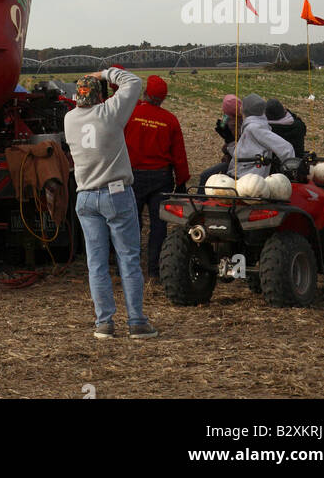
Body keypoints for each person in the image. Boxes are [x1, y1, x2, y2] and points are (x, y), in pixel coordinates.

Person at [64, 67, 157, 339]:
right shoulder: (109, 113)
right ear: (99, 97)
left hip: (85, 197)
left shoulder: (69, 119)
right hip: (115, 194)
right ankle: (137, 321)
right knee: (128, 259)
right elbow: (134, 82)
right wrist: (105, 73)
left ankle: (104, 323)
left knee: (96, 263)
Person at [124, 75, 190, 279]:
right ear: (163, 98)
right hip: (161, 177)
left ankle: (128, 270)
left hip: (133, 176)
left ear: (145, 93)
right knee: (159, 225)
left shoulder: (130, 114)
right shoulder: (170, 120)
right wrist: (182, 182)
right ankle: (154, 270)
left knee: (131, 224)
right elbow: (179, 155)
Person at [226, 94, 295, 179]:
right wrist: (229, 141)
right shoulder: (252, 126)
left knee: (206, 177)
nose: (240, 108)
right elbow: (243, 154)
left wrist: (290, 172)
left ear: (246, 110)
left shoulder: (254, 128)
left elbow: (286, 148)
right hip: (241, 174)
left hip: (248, 178)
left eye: (242, 105)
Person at [198, 94, 242, 191]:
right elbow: (222, 127)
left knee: (205, 176)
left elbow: (237, 149)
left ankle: (200, 200)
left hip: (235, 163)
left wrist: (227, 143)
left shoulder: (239, 125)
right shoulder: (228, 119)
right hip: (230, 158)